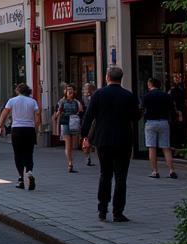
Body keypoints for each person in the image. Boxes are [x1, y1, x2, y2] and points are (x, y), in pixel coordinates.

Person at [81, 66, 142, 221]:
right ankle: (118, 211)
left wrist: (85, 136)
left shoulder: (98, 94)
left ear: (107, 77)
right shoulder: (128, 96)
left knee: (105, 174)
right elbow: (135, 117)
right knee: (121, 177)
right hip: (123, 140)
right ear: (120, 78)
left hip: (103, 140)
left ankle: (102, 210)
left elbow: (88, 117)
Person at [0, 83, 41, 190]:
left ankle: (21, 178)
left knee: (18, 154)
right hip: (29, 129)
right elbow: (38, 117)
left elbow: (4, 113)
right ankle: (29, 172)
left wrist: (0, 126)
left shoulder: (12, 100)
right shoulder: (33, 101)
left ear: (17, 91)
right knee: (28, 153)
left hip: (17, 129)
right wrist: (35, 128)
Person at [142, 77, 178, 180]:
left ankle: (155, 171)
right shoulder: (166, 96)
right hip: (163, 121)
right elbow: (172, 108)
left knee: (152, 147)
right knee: (166, 147)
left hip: (150, 122)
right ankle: (171, 170)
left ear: (150, 84)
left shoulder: (147, 96)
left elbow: (142, 108)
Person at [52, 85, 84, 173]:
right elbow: (57, 113)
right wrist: (57, 115)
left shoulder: (77, 102)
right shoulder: (61, 102)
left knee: (72, 145)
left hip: (73, 123)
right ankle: (70, 163)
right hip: (65, 123)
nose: (70, 92)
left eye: (71, 90)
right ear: (65, 92)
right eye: (68, 90)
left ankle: (70, 160)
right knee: (68, 144)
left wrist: (78, 113)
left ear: (74, 92)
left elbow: (81, 111)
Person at [169, 73, 187, 150]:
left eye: (179, 77)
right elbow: (173, 102)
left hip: (180, 111)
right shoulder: (172, 91)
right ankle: (176, 146)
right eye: (175, 77)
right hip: (175, 113)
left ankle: (180, 145)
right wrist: (178, 112)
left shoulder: (182, 89)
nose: (177, 79)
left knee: (180, 129)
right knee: (176, 129)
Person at [82, 82, 97, 165]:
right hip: (89, 120)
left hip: (92, 120)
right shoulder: (86, 97)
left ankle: (88, 156)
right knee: (88, 138)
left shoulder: (93, 97)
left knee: (89, 138)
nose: (85, 90)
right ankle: (87, 156)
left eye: (87, 88)